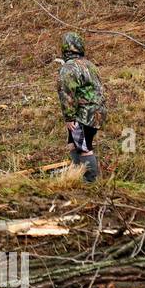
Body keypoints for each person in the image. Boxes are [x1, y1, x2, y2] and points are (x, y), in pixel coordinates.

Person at [56, 31, 107, 182]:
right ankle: (77, 176)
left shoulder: (68, 68)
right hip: (98, 112)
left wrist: (69, 117)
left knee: (84, 148)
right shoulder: (89, 65)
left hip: (83, 115)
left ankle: (90, 181)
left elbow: (66, 93)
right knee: (73, 144)